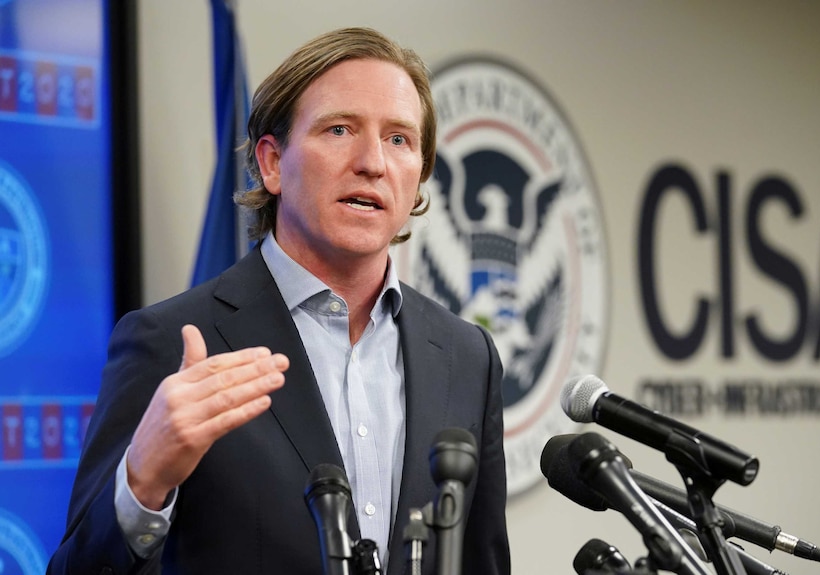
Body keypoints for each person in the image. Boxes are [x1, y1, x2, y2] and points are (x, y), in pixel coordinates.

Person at [48, 27, 510, 575]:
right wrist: (143, 482)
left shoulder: (467, 356)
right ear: (271, 163)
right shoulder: (169, 342)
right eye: (339, 129)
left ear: (419, 177)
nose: (372, 162)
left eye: (399, 140)